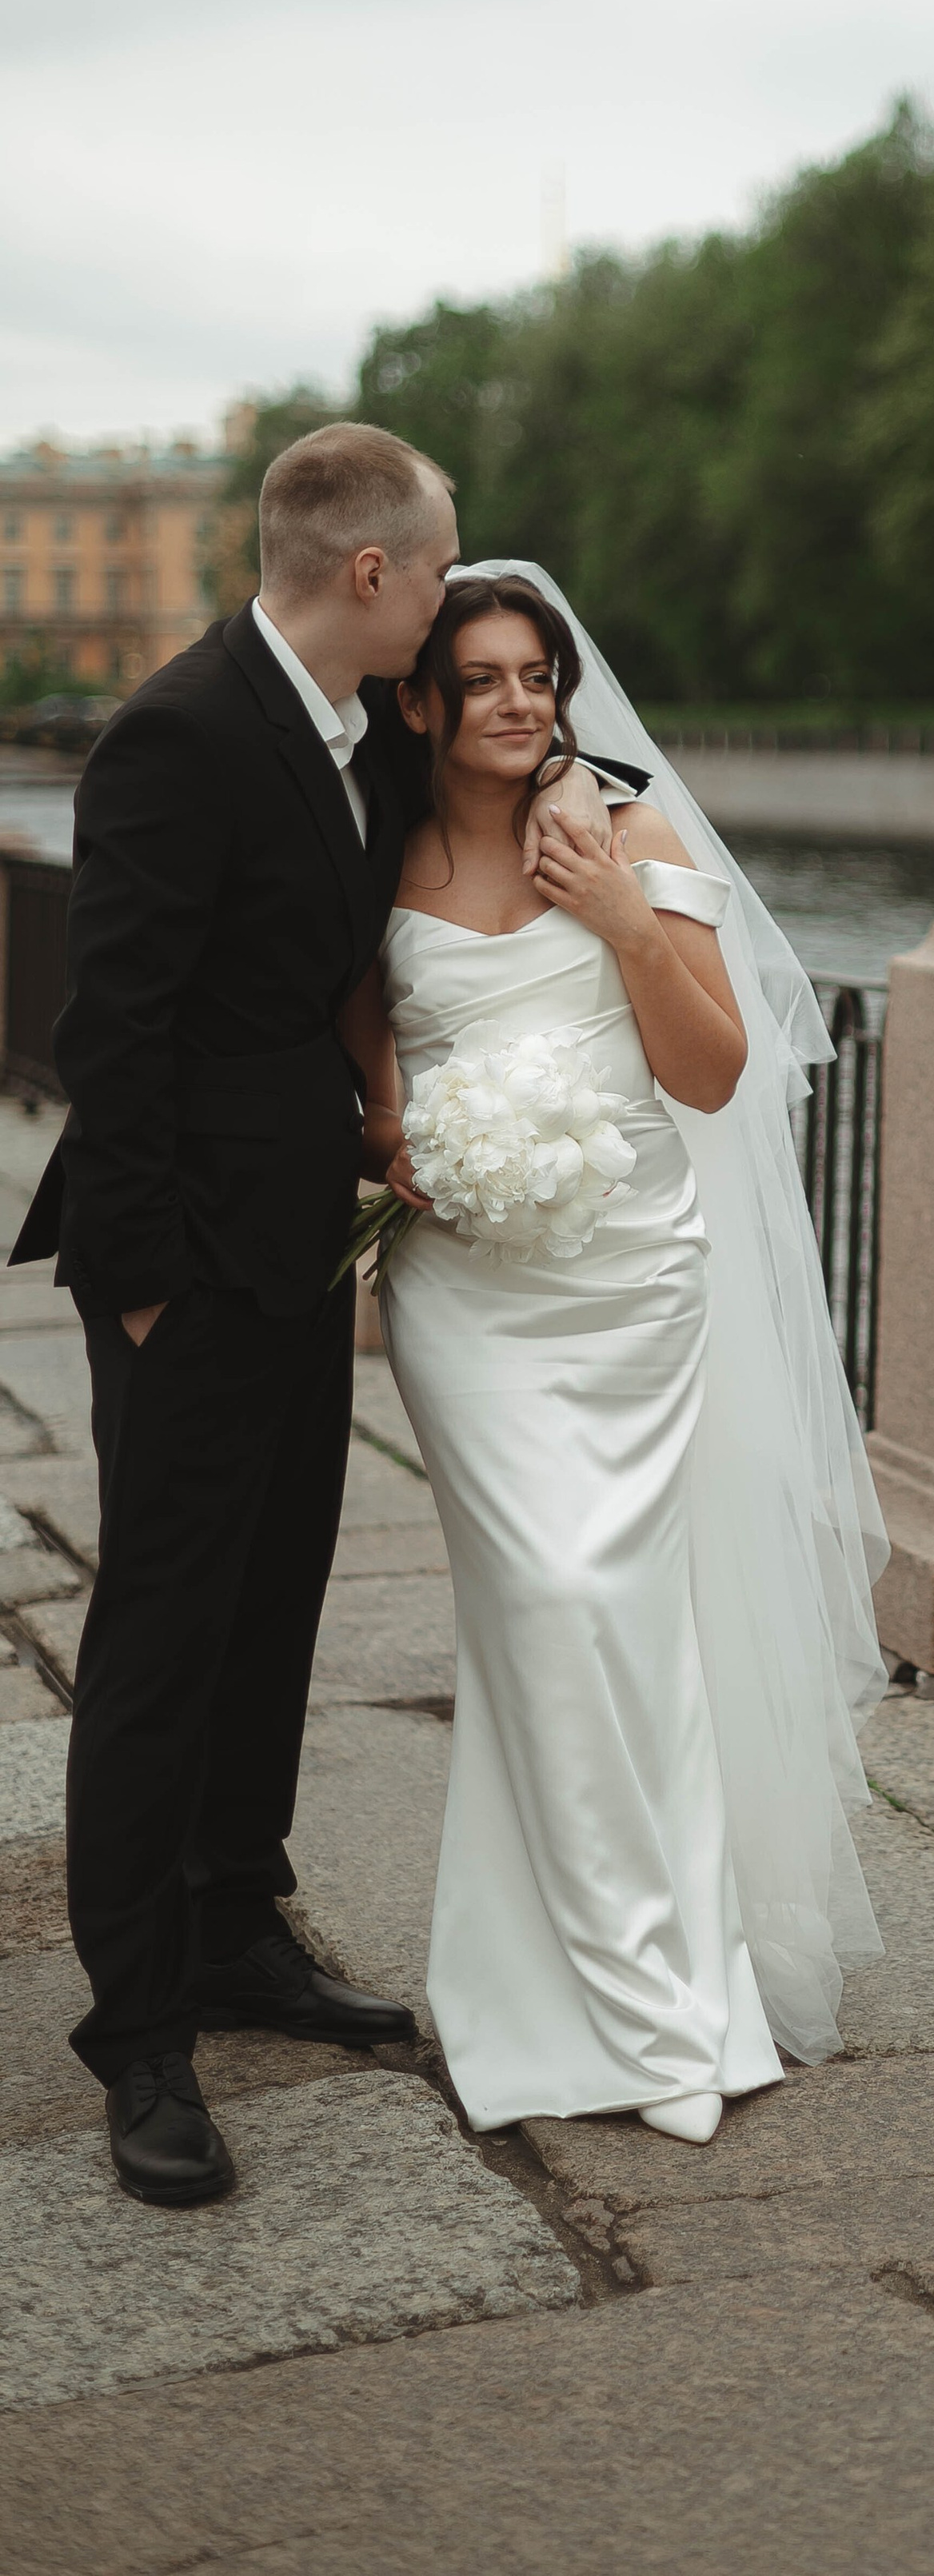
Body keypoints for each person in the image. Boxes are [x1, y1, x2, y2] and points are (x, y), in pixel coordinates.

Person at [10, 426, 641, 2208]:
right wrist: (133, 1285)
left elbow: (352, 944)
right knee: (158, 1639)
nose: (446, 603)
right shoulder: (181, 729)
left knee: (275, 1592)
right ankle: (138, 2034)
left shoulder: (346, 729)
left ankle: (234, 1923)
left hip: (304, 1245)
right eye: (437, 573)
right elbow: (107, 1028)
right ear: (372, 575)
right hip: (187, 1268)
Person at [336, 569, 887, 2141]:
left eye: (540, 676)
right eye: (484, 678)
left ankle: (662, 1994)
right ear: (422, 699)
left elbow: (713, 1071)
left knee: (623, 1629)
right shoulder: (385, 849)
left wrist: (618, 915)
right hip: (468, 1302)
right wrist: (396, 1146)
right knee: (541, 1614)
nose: (520, 704)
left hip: (631, 1284)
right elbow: (367, 1067)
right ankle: (603, 2005)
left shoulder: (625, 832)